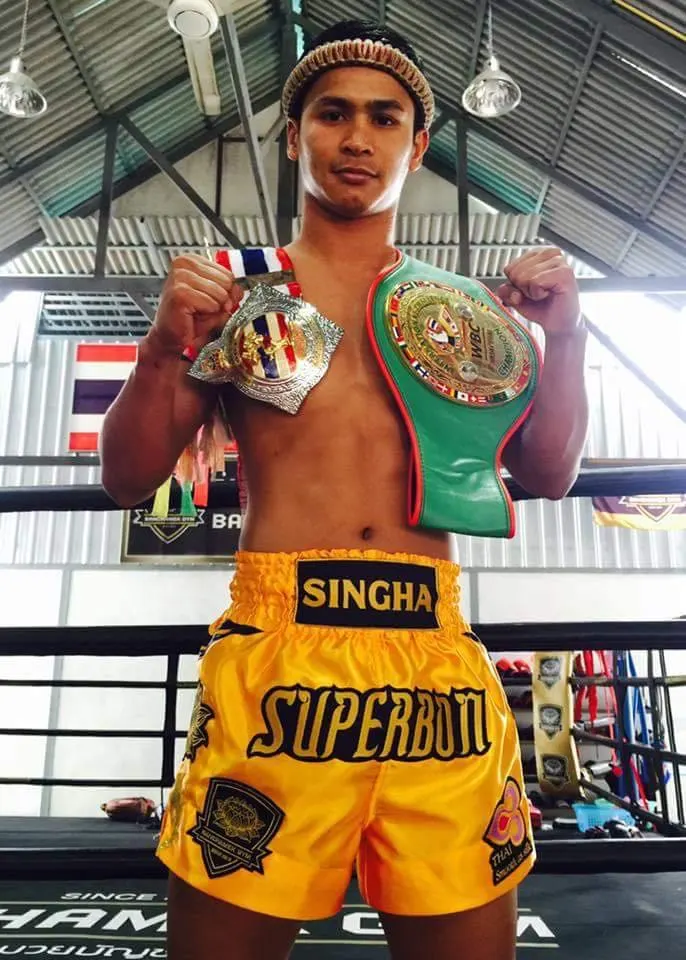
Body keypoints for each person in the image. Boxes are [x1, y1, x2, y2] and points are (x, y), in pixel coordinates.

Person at [101, 18, 588, 960]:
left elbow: (547, 472)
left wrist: (565, 338)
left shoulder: (461, 312)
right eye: (332, 114)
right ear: (295, 137)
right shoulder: (240, 294)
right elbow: (128, 478)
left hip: (435, 667)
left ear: (417, 144)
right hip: (279, 660)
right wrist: (161, 350)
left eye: (383, 117)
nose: (356, 138)